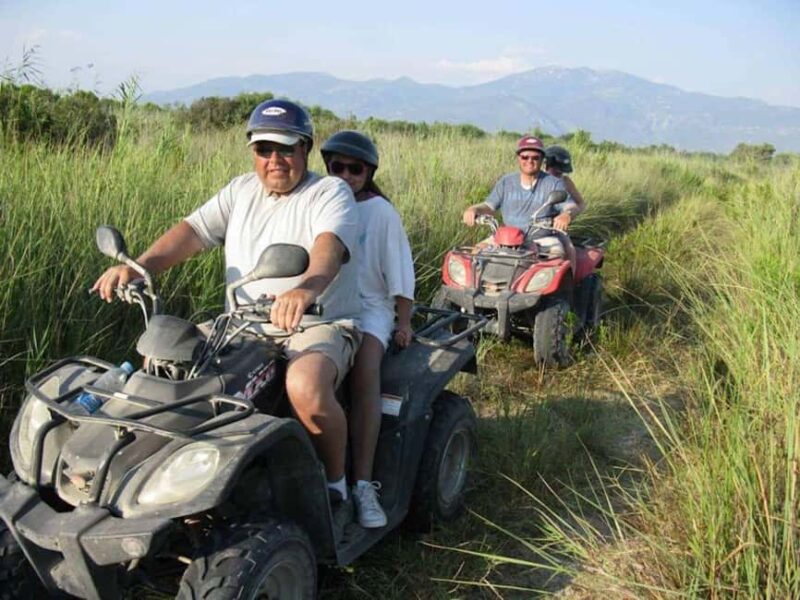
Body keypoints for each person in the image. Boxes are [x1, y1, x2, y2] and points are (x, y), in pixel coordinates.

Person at [91, 99, 362, 512]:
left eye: (286, 148)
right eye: (264, 149)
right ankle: (148, 474)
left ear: (306, 149)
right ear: (252, 151)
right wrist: (140, 268)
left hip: (315, 322)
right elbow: (193, 231)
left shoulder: (329, 191)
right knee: (163, 360)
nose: (275, 159)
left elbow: (329, 248)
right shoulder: (241, 191)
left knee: (304, 385)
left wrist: (305, 289)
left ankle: (335, 484)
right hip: (241, 321)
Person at [321, 130, 415, 528]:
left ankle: (362, 483)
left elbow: (400, 272)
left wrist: (404, 321)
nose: (345, 175)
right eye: (336, 166)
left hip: (369, 307)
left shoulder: (381, 213)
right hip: (325, 303)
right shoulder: (319, 202)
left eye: (354, 168)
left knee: (363, 370)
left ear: (368, 171)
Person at [462, 135, 578, 256]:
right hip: (505, 239)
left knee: (555, 261)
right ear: (518, 158)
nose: (529, 161)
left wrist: (566, 215)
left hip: (541, 240)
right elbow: (489, 206)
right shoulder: (506, 182)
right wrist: (473, 209)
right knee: (475, 256)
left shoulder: (554, 183)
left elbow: (571, 206)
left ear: (542, 159)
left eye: (535, 157)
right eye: (525, 157)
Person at [545, 145, 587, 216]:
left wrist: (569, 213)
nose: (558, 176)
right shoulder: (535, 180)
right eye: (555, 172)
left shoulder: (565, 181)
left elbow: (581, 204)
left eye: (561, 172)